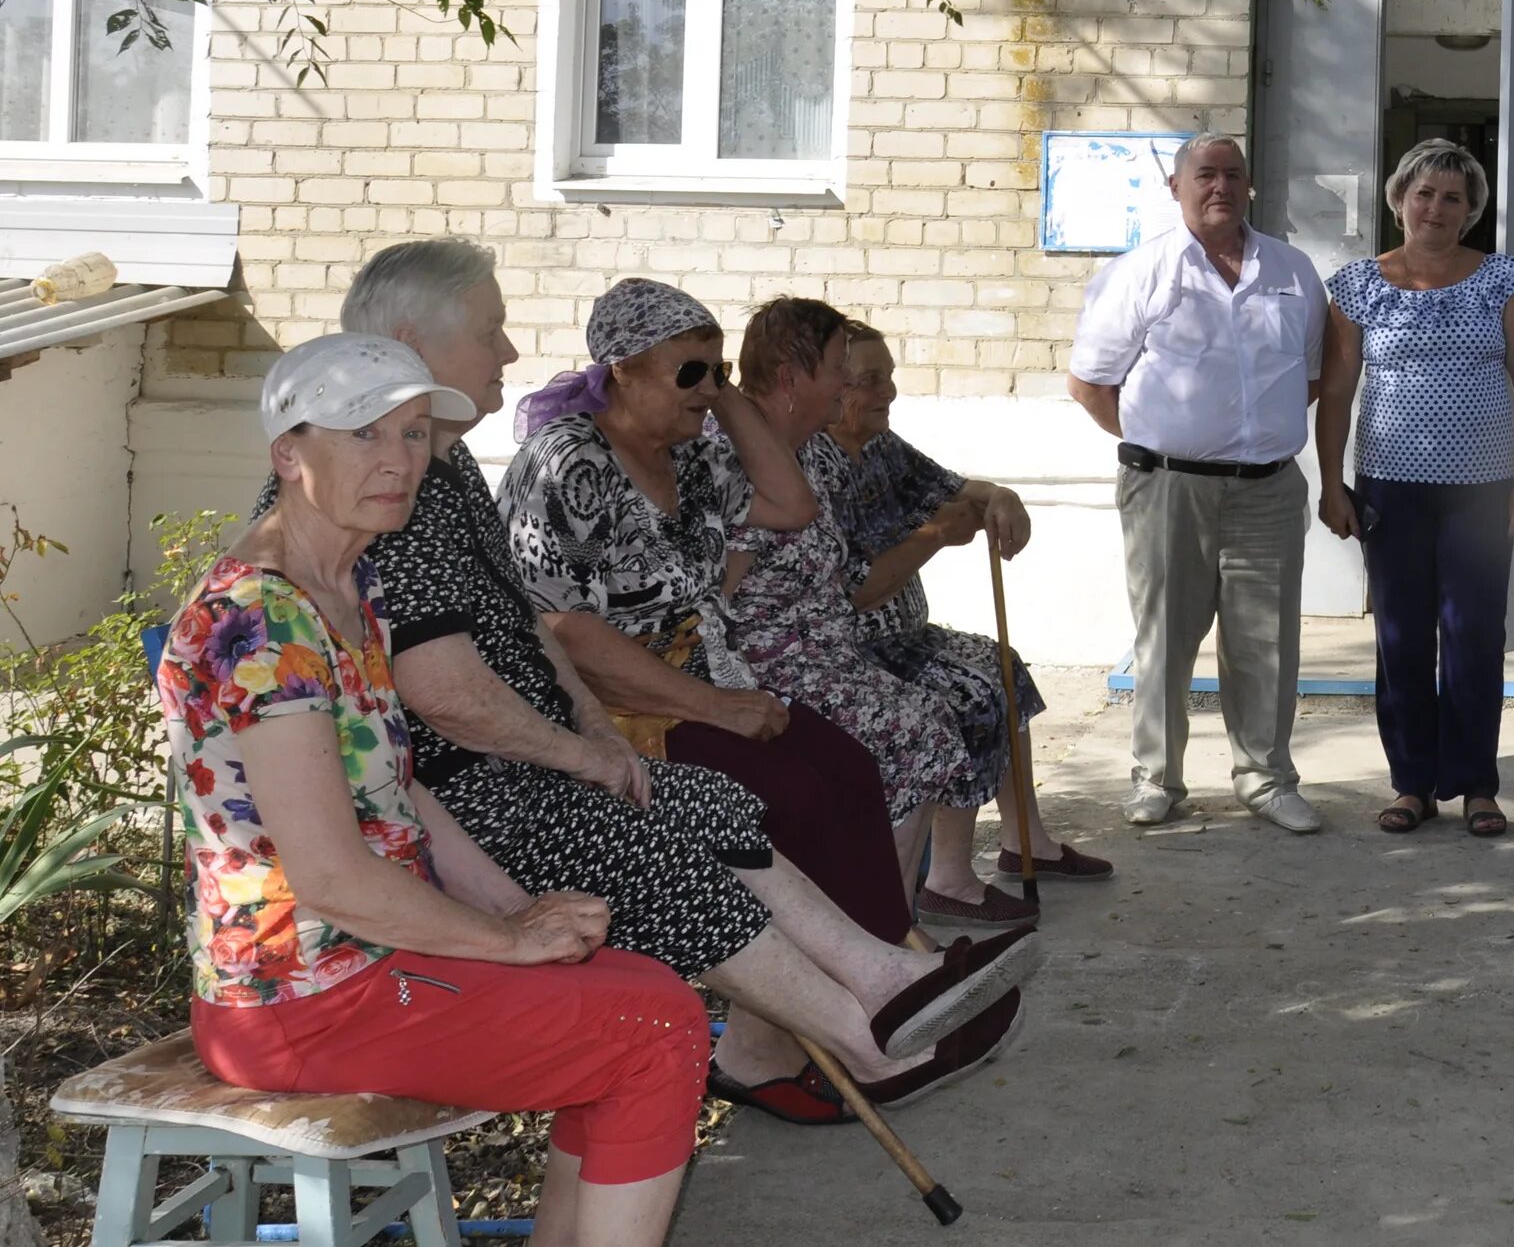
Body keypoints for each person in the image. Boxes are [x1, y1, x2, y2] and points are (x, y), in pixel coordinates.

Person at [326, 243, 1031, 1125]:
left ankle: (886, 977)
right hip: (474, 786)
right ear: (406, 341)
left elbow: (530, 631)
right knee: (672, 850)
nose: (510, 351)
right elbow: (450, 694)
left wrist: (593, 735)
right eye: (492, 330)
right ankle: (864, 1038)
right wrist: (586, 752)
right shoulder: (395, 475)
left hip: (535, 749)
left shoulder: (444, 461)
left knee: (721, 803)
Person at [162, 333, 704, 1247]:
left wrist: (520, 911)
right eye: (363, 432)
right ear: (287, 454)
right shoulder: (260, 619)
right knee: (656, 1027)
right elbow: (331, 877)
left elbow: (398, 792)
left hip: (365, 964)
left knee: (640, 988)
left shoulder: (345, 582)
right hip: (297, 998)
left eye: (414, 434)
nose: (397, 459)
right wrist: (505, 941)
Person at [496, 280, 918, 955]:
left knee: (849, 768)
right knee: (792, 794)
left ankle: (890, 954)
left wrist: (720, 393)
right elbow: (564, 628)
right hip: (617, 705)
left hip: (705, 681)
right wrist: (716, 707)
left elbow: (791, 503)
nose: (707, 388)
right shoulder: (569, 461)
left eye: (717, 368)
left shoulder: (690, 458)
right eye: (688, 371)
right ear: (623, 373)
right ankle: (850, 981)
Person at [727, 297, 1043, 929]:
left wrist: (995, 498)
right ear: (791, 377)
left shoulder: (813, 448)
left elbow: (950, 489)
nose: (854, 385)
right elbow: (718, 591)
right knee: (923, 726)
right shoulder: (738, 453)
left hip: (824, 652)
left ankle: (891, 922)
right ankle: (884, 925)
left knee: (944, 713)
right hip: (775, 661)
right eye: (843, 369)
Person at [1066, 131, 1330, 833]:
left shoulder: (1294, 271)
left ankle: (1266, 779)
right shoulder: (1141, 271)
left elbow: (1304, 379)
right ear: (1176, 186)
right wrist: (1160, 442)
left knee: (1267, 642)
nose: (1220, 187)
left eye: (1233, 175)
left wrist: (1245, 435)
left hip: (1266, 489)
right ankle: (1157, 779)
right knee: (1164, 637)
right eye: (1205, 174)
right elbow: (1090, 382)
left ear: (1250, 185)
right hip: (1167, 488)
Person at [1314, 140, 1514, 839]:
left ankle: (1476, 783)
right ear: (1399, 199)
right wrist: (1331, 484)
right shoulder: (1358, 283)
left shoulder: (1503, 280)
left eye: (1453, 197)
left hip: (1482, 492)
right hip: (1390, 490)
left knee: (1475, 637)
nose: (1436, 208)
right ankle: (1413, 783)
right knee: (1401, 638)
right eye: (1424, 194)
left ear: (1471, 210)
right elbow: (1335, 392)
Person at [830, 320, 1112, 884]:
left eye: (888, 377)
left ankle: (1025, 842)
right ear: (829, 386)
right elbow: (857, 592)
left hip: (907, 635)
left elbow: (956, 487)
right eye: (870, 380)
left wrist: (1000, 496)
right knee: (967, 692)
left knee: (1002, 667)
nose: (887, 392)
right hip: (852, 648)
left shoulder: (879, 447)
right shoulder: (811, 462)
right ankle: (950, 880)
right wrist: (933, 536)